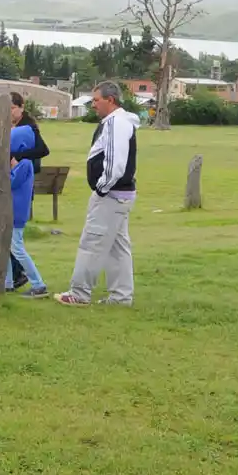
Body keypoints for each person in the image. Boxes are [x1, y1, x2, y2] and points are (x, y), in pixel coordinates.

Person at [54, 80, 138, 306]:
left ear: (110, 100)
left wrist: (102, 189)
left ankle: (79, 293)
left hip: (111, 195)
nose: (93, 105)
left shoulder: (115, 123)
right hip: (121, 194)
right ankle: (121, 297)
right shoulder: (119, 122)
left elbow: (115, 163)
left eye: (96, 100)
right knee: (117, 247)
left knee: (92, 242)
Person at [6, 123, 48, 297]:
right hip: (11, 212)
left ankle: (38, 284)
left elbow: (10, 183)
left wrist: (10, 168)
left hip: (16, 213)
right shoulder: (24, 163)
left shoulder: (23, 164)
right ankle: (7, 283)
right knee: (7, 248)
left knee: (17, 249)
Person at [9, 92, 50, 174]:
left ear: (22, 108)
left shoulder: (29, 126)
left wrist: (16, 157)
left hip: (25, 172)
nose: (9, 112)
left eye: (12, 108)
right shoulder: (4, 125)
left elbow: (43, 150)